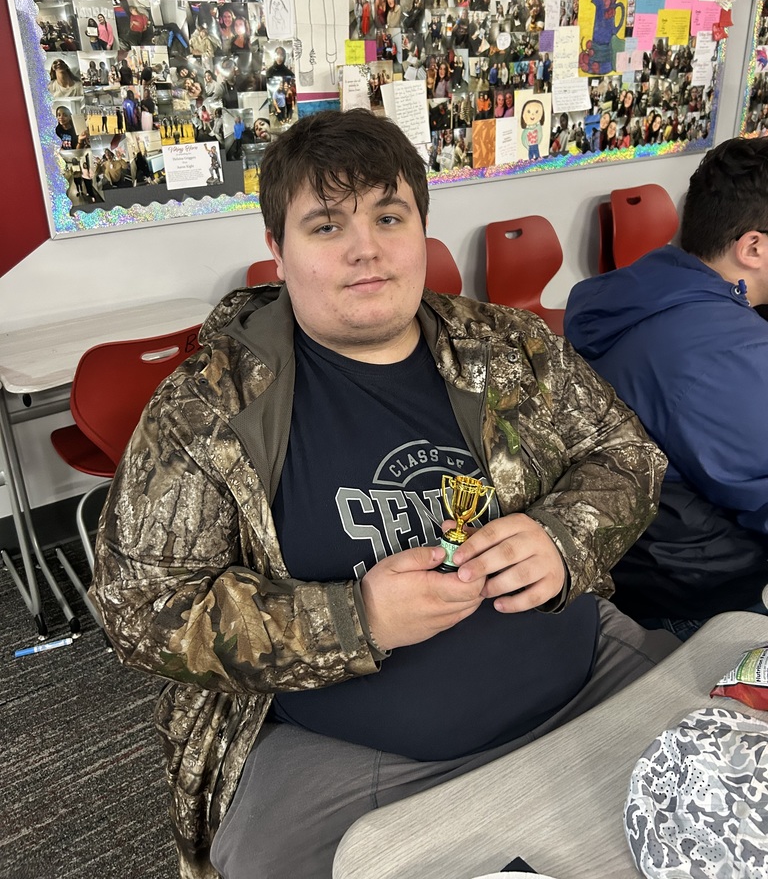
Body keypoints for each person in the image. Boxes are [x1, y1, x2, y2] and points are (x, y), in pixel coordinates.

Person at [91, 108, 676, 879]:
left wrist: (565, 537)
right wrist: (354, 617)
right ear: (278, 251)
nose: (365, 248)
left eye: (388, 217)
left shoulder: (511, 345)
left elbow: (627, 453)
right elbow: (140, 610)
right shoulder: (207, 408)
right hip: (352, 758)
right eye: (326, 226)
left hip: (590, 680)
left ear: (421, 232)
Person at [564, 137, 768, 640]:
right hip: (707, 595)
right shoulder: (726, 353)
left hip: (643, 567)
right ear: (753, 247)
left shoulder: (642, 289)